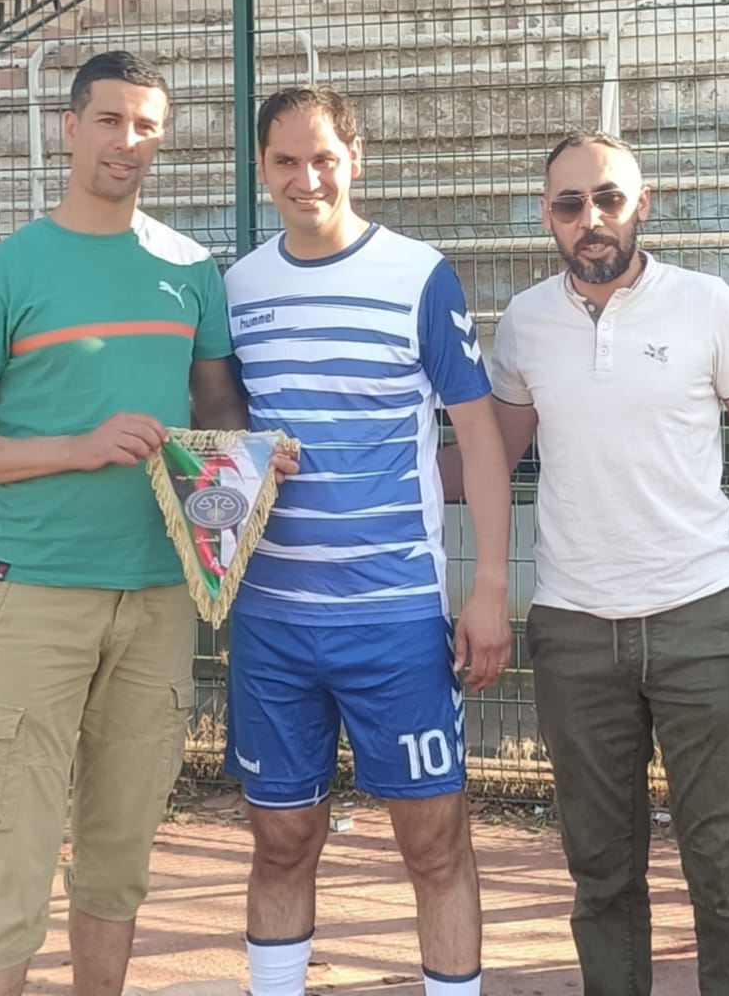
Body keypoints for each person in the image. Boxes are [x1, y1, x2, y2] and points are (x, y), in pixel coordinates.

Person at [443, 130, 729, 996]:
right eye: (570, 203)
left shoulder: (707, 304)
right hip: (575, 631)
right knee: (601, 875)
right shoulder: (526, 324)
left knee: (723, 871)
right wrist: (356, 464)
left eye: (608, 198)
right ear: (547, 216)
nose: (591, 219)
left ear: (642, 204)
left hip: (701, 621)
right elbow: (488, 461)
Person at [0, 51, 256, 996]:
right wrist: (78, 446)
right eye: (110, 120)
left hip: (158, 596)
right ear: (68, 127)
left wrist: (255, 460)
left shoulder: (191, 270)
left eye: (147, 125)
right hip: (37, 592)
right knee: (13, 864)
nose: (128, 141)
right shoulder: (8, 271)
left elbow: (217, 416)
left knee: (118, 861)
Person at [221, 86, 512, 996]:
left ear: (356, 159)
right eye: (285, 162)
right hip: (271, 620)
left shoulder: (420, 276)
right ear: (262, 168)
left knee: (433, 843)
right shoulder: (236, 288)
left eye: (324, 159)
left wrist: (490, 586)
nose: (306, 179)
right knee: (281, 841)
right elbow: (218, 439)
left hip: (393, 618)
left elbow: (480, 437)